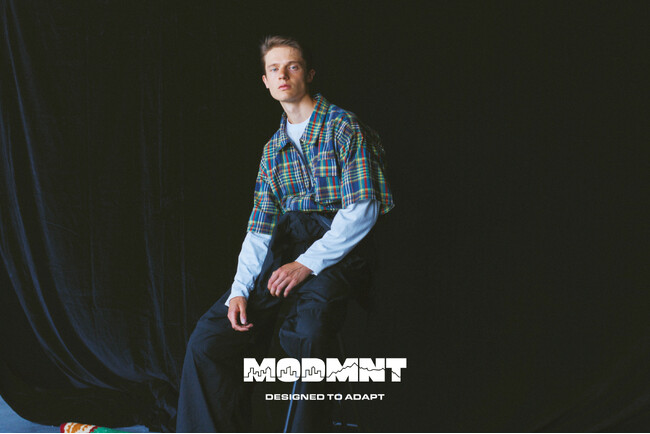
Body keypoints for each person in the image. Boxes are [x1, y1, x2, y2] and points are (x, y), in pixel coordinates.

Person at [176, 35, 394, 432]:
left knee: (308, 335)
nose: (283, 75)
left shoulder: (343, 127)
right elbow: (259, 231)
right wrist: (240, 289)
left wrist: (306, 264)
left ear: (308, 74)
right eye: (274, 69)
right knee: (208, 341)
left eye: (292, 66)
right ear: (265, 81)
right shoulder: (272, 150)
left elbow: (363, 210)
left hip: (340, 249)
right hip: (288, 245)